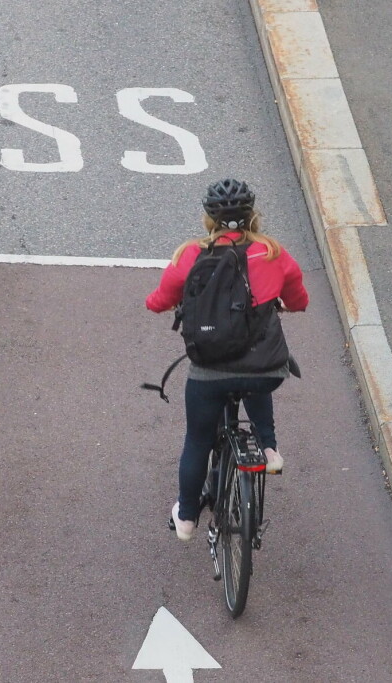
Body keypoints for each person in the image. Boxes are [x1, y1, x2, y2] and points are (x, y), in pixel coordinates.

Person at [146, 179, 309, 541]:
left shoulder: (190, 255)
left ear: (209, 219)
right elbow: (299, 300)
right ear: (252, 216)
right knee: (255, 371)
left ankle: (186, 518)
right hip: (264, 370)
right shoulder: (272, 253)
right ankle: (268, 447)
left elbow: (157, 300)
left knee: (198, 440)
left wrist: (166, 304)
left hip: (209, 371)